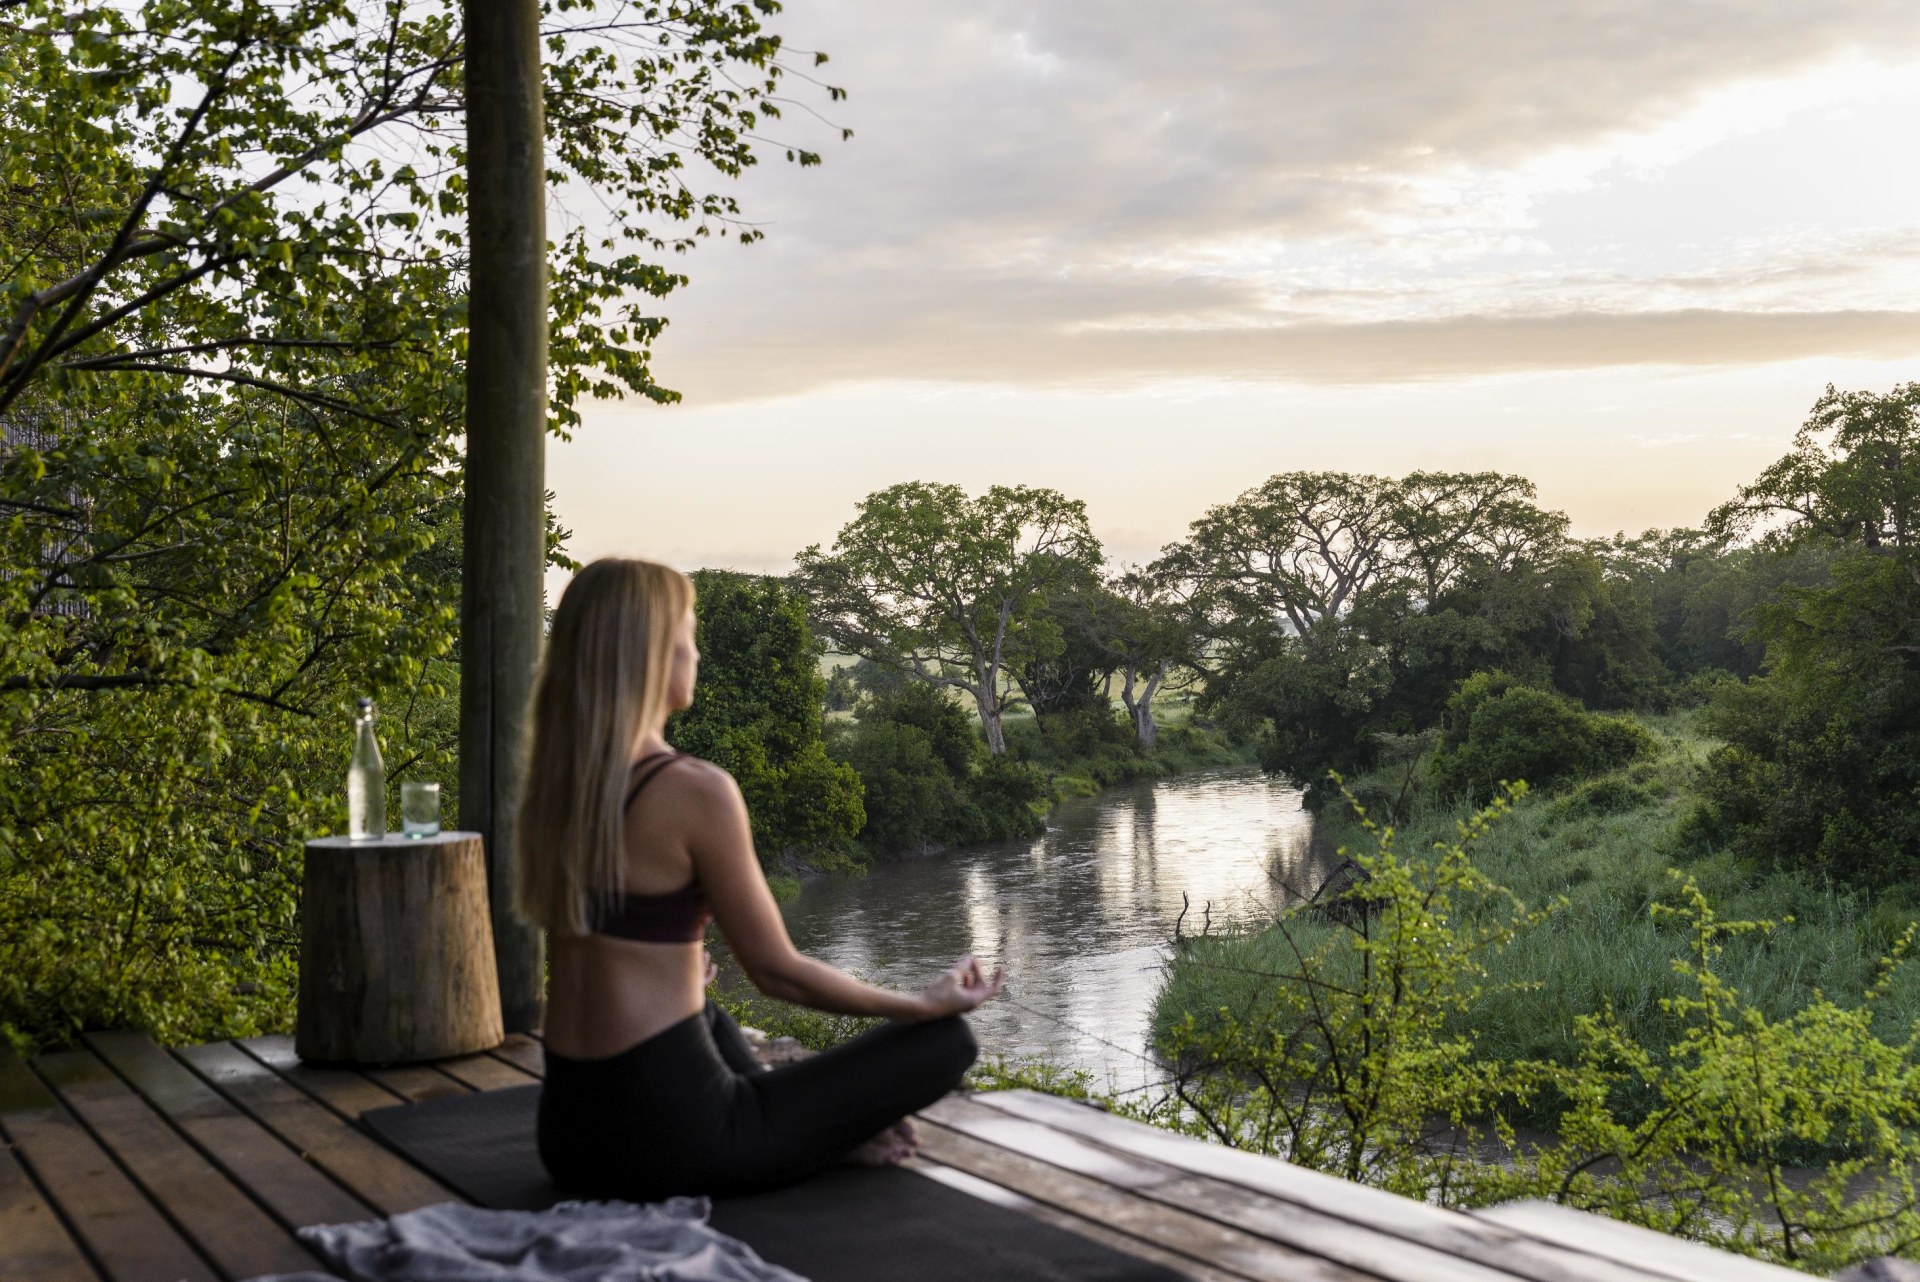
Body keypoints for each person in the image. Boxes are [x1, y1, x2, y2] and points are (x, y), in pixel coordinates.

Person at [518, 558, 1005, 1201]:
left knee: (707, 1014)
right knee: (946, 1044)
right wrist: (922, 1004)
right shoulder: (693, 789)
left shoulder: (559, 786)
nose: (696, 651)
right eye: (688, 634)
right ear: (654, 653)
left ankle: (806, 1137)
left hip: (570, 1137)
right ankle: (801, 1142)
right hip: (666, 1145)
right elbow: (777, 972)